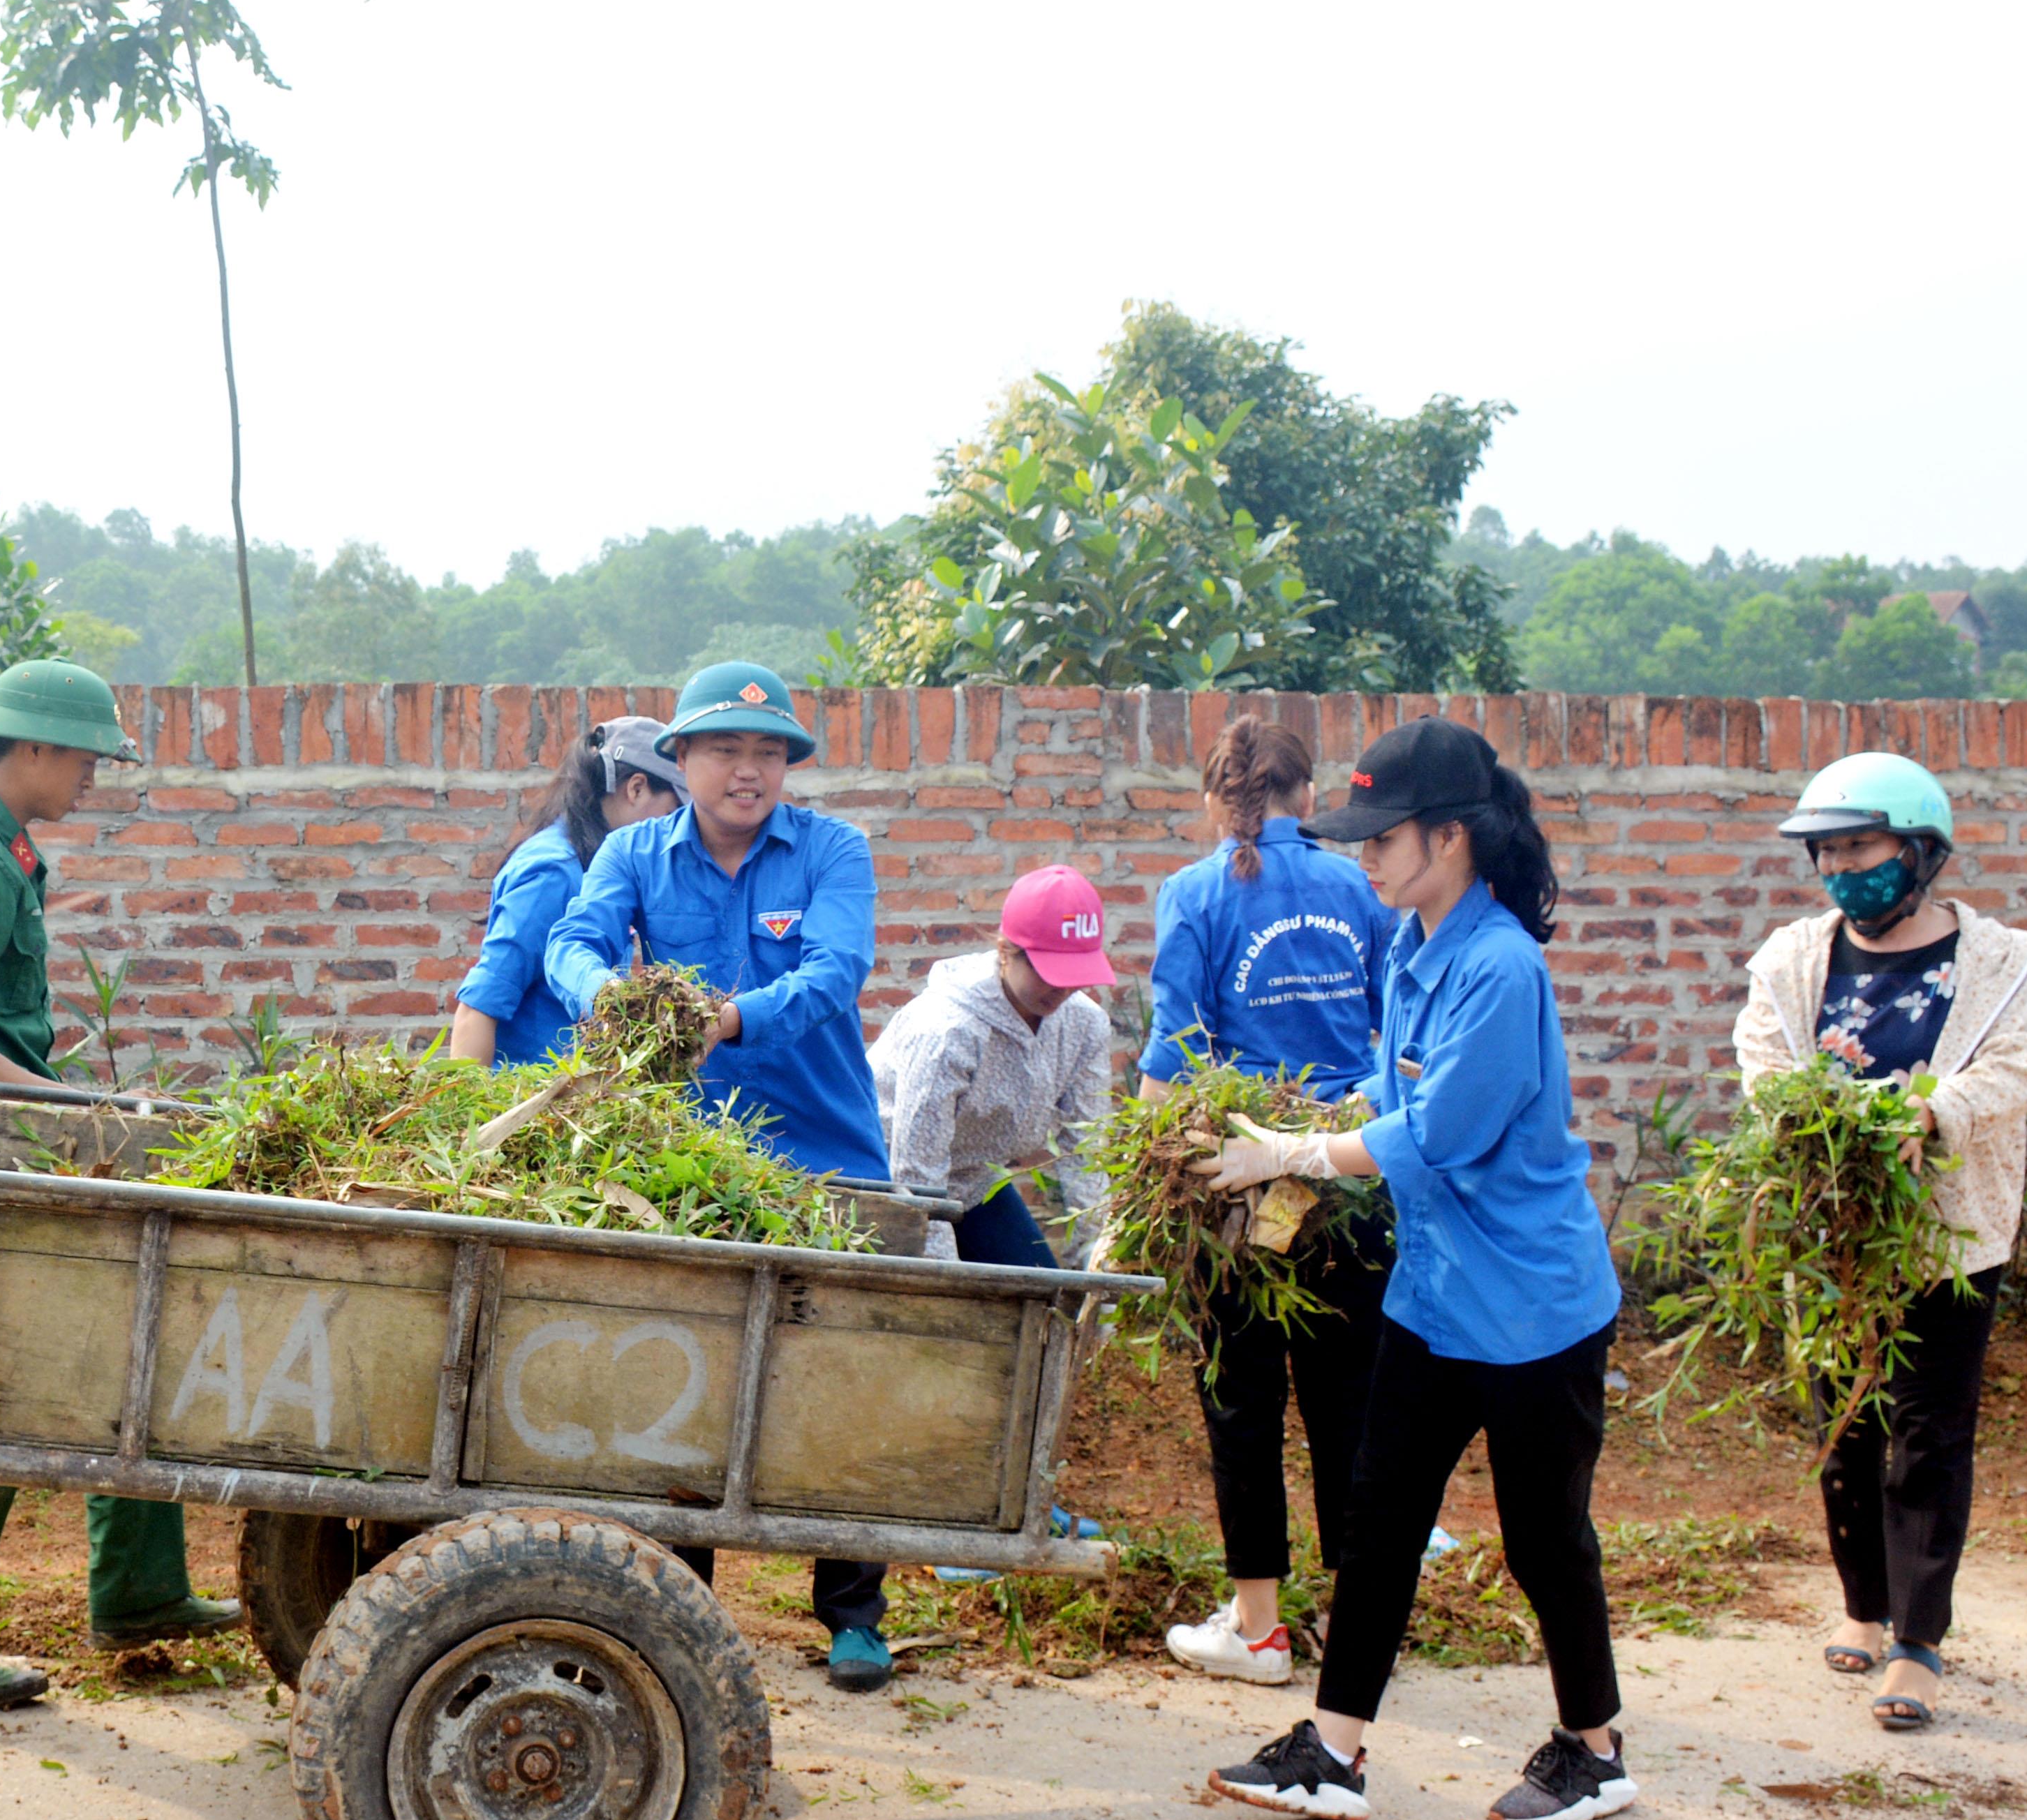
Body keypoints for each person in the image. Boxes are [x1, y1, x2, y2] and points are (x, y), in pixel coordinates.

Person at [1196, 715, 1638, 1820]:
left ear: (1450, 837)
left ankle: (1596, 1753)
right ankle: (1333, 1753)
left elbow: (1440, 1131)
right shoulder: (1409, 946)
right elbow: (1392, 1098)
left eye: (1382, 838)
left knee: (1545, 1541)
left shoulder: (1500, 967)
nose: (1366, 858)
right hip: (1436, 1293)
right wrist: (1295, 1123)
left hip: (1532, 1308)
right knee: (1380, 1517)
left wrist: (1293, 1153)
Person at [0, 659, 242, 1711]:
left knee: (124, 1344)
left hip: (7, 1147)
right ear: (31, 746)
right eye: (85, 756)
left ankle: (140, 1589)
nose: (93, 774)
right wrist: (82, 1109)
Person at [547, 659, 907, 1689]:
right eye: (725, 752)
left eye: (768, 754)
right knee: (678, 1371)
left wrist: (734, 1018)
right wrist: (608, 998)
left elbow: (835, 972)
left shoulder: (833, 851)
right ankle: (681, 1610)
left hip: (823, 1153)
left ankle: (853, 1614)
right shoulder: (634, 853)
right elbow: (571, 944)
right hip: (688, 1160)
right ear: (683, 760)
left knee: (836, 1375)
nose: (748, 771)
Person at [1732, 754, 2027, 1733]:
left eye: (1859, 847)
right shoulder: (1793, 958)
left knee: (1928, 1434)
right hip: (1834, 1238)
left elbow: (2014, 1068)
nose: (1840, 868)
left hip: (1949, 1236)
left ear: (1918, 851)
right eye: (1825, 852)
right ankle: (1861, 1605)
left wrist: (1930, 1112)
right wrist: (1812, 1118)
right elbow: (1764, 1062)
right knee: (1845, 1427)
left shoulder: (2001, 961)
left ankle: (1917, 1640)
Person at [1137, 716, 1398, 1689]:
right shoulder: (1362, 888)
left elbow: (1174, 1055)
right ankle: (1357, 1627)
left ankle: (1258, 1630)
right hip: (1347, 1174)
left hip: (1239, 1182)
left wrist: (1147, 1187)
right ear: (1310, 796)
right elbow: (1398, 1035)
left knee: (1241, 1402)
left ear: (1217, 801)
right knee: (1351, 1408)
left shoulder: (1194, 893)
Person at [869, 863, 1122, 1273]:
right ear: (1006, 951)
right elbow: (916, 1175)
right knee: (953, 1304)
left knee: (1041, 1292)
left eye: (1075, 975)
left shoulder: (1083, 1024)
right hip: (885, 1180)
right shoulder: (947, 1030)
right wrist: (946, 1285)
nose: (1062, 989)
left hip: (974, 1182)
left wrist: (1097, 1266)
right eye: (1049, 973)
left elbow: (1085, 1151)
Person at [445, 716, 678, 1068]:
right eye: (672, 813)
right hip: (529, 1094)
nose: (673, 830)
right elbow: (479, 1008)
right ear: (636, 789)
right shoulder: (554, 873)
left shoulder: (595, 867)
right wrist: (469, 1101)